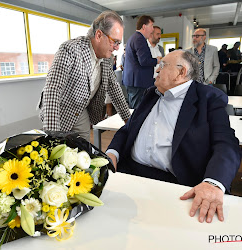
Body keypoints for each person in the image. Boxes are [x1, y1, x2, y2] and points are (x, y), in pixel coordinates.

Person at [107, 50, 241, 223]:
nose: (156, 70)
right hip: (128, 173)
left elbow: (227, 144)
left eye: (162, 65)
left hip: (175, 184)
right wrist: (112, 153)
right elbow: (127, 129)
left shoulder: (208, 98)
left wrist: (213, 182)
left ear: (181, 72)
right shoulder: (151, 94)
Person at [38, 11, 131, 141]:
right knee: (60, 152)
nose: (116, 48)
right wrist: (53, 135)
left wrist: (129, 121)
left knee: (83, 149)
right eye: (114, 42)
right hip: (59, 110)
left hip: (80, 109)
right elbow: (52, 90)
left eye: (118, 43)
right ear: (99, 35)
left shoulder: (106, 58)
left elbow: (114, 88)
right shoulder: (70, 49)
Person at [123, 15, 162, 109]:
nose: (152, 29)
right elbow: (144, 61)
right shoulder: (139, 39)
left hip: (136, 81)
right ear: (144, 26)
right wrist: (157, 60)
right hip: (137, 83)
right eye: (151, 26)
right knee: (137, 110)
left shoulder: (135, 37)